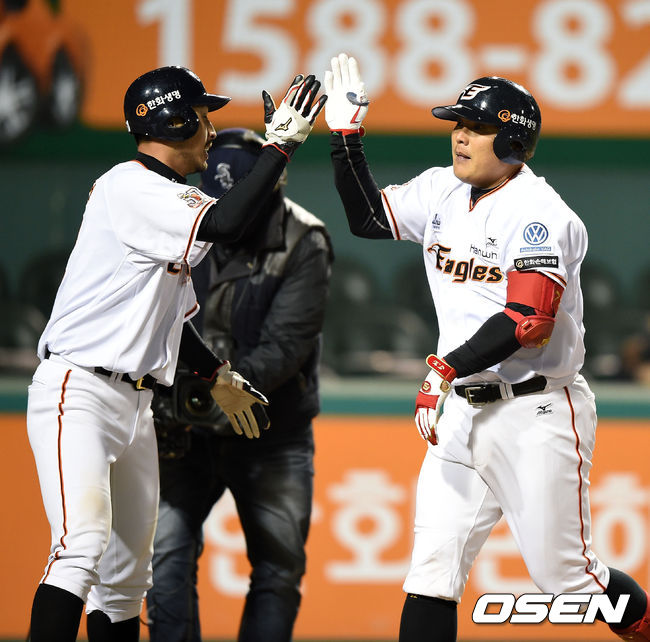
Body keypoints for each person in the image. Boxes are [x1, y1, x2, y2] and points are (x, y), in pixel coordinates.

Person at [323, 53, 650, 641]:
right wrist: (347, 138)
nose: (460, 135)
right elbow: (368, 218)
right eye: (457, 124)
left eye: (475, 126)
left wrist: (443, 369)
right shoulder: (441, 188)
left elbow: (528, 321)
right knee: (430, 575)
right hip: (461, 412)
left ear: (513, 140)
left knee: (569, 583)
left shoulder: (540, 214)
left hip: (535, 411)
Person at [26, 65, 326, 642]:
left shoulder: (165, 197)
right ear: (176, 120)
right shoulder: (130, 185)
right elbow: (229, 223)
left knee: (126, 581)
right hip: (79, 389)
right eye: (203, 116)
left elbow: (173, 319)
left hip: (136, 402)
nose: (211, 131)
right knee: (80, 548)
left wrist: (216, 374)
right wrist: (281, 147)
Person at [145, 126, 333, 642]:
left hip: (270, 430)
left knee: (277, 569)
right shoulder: (186, 223)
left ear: (272, 186)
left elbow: (285, 348)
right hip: (183, 431)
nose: (228, 212)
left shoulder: (304, 239)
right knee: (165, 558)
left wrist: (209, 391)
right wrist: (179, 400)